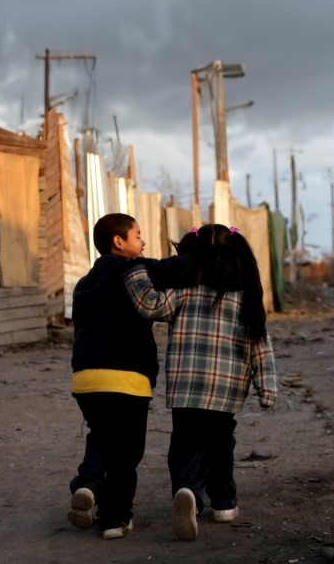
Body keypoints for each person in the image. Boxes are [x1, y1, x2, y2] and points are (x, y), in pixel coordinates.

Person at [121, 223, 278, 541]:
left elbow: (149, 305)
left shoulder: (183, 292)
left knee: (186, 443)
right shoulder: (245, 298)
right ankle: (224, 503)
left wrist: (133, 271)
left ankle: (187, 492)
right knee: (221, 443)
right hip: (227, 390)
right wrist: (267, 387)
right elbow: (259, 345)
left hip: (186, 386)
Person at [66, 212, 157, 540]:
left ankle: (89, 482)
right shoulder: (134, 272)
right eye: (138, 235)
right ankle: (115, 519)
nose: (143, 242)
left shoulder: (83, 283)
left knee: (102, 434)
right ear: (119, 242)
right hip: (127, 379)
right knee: (126, 450)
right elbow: (152, 306)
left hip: (86, 379)